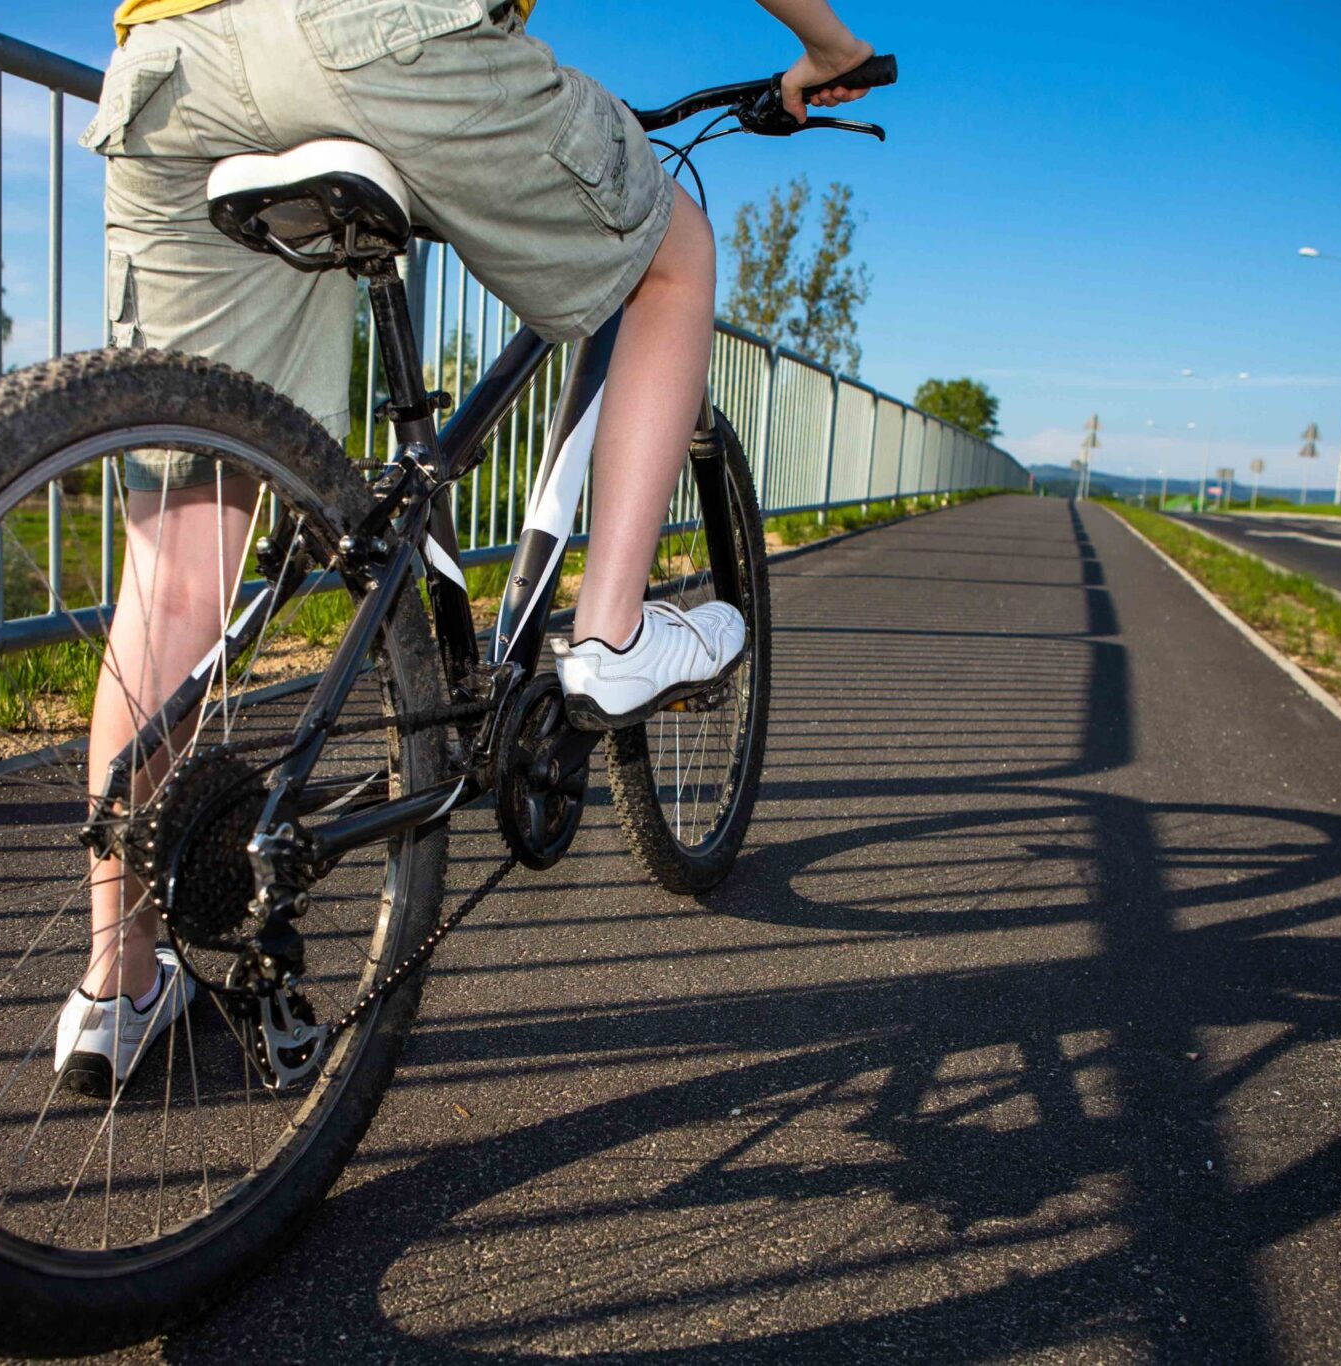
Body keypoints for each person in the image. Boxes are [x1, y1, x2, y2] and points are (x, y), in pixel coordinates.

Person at [54, 0, 878, 1094]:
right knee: (671, 249)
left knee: (173, 576)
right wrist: (829, 52)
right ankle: (611, 632)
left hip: (170, 68)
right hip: (379, 32)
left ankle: (118, 985)